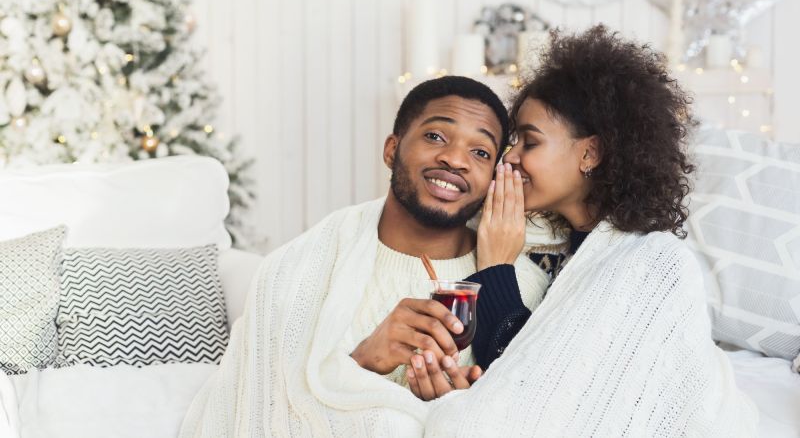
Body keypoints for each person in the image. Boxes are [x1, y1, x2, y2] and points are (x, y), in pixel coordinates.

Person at [407, 26, 759, 437]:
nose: (512, 157)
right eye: (514, 140)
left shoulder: (650, 260)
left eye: (530, 142)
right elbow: (526, 372)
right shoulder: (564, 250)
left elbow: (541, 404)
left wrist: (495, 269)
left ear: (590, 153)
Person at [179, 76, 548, 437]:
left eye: (480, 152)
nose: (454, 159)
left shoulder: (522, 288)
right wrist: (362, 363)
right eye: (435, 136)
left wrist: (461, 412)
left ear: (496, 176)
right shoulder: (297, 270)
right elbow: (256, 412)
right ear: (392, 150)